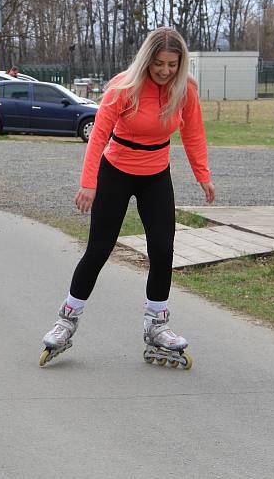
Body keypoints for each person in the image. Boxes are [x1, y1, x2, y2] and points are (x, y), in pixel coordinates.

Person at [40, 27, 215, 366]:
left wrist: (203, 176)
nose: (165, 71)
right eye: (159, 64)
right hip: (116, 170)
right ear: (147, 60)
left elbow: (194, 133)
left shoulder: (186, 90)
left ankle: (157, 325)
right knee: (99, 249)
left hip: (156, 174)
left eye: (173, 65)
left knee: (163, 249)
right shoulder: (124, 86)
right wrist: (88, 183)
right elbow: (99, 134)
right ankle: (65, 322)